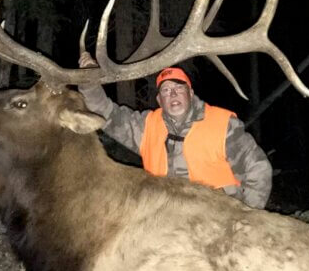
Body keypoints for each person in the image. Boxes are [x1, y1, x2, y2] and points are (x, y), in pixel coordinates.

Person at [78, 52, 273, 209]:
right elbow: (106, 113)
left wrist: (247, 216)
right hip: (168, 220)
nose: (172, 94)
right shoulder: (146, 127)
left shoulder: (222, 126)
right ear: (159, 100)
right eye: (165, 90)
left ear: (190, 93)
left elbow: (258, 168)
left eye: (179, 88)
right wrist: (89, 82)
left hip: (218, 218)